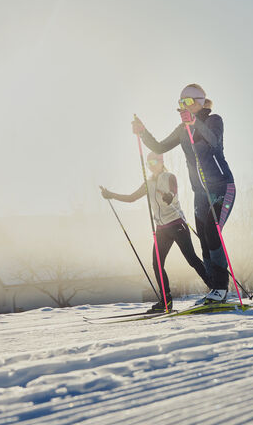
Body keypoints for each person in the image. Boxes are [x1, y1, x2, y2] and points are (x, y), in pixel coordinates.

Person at [132, 83, 238, 305]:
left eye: (187, 102)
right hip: (200, 193)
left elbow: (214, 142)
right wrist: (143, 133)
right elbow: (159, 147)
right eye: (180, 104)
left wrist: (195, 122)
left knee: (212, 231)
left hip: (221, 187)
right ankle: (214, 290)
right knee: (204, 240)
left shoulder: (213, 120)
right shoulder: (182, 131)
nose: (183, 108)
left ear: (199, 102)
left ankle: (221, 287)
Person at [100, 152, 208, 312]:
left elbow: (174, 191)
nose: (152, 165)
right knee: (157, 264)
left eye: (155, 161)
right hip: (162, 228)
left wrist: (170, 197)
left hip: (177, 224)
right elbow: (131, 198)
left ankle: (215, 289)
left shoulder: (169, 176)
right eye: (149, 162)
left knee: (191, 259)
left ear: (161, 161)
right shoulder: (148, 183)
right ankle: (166, 301)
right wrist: (111, 195)